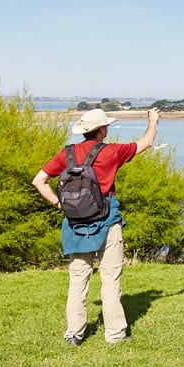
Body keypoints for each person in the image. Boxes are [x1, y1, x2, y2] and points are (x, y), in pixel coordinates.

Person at [32, 107, 160, 346]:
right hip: (108, 221)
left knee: (78, 278)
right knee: (110, 278)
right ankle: (115, 334)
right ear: (102, 130)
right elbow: (147, 142)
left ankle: (74, 334)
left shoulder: (66, 154)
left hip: (75, 224)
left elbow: (38, 181)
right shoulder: (112, 152)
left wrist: (58, 204)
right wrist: (152, 120)